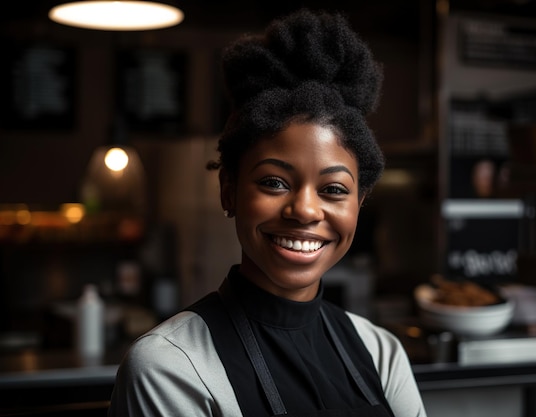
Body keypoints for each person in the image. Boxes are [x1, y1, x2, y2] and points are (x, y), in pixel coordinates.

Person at [108, 8, 427, 417]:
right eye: (275, 182)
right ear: (229, 190)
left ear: (359, 204)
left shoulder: (381, 353)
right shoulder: (169, 367)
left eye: (333, 189)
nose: (305, 210)